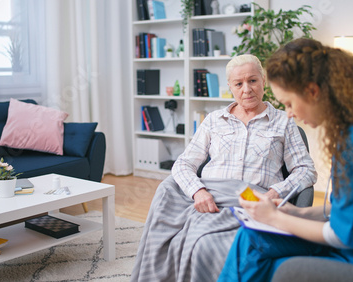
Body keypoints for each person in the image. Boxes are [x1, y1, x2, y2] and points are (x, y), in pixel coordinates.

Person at [218, 38, 353, 282]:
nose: (290, 114)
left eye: (289, 103)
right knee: (250, 239)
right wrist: (298, 213)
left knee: (257, 249)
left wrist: (276, 218)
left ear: (312, 92)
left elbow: (345, 235)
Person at [131, 54, 317, 282]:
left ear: (263, 80)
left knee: (201, 243)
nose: (246, 89)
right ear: (230, 87)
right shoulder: (213, 119)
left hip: (249, 197)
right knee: (166, 193)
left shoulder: (283, 121)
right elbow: (184, 163)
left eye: (253, 81)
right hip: (206, 194)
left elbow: (306, 169)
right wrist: (197, 191)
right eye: (238, 84)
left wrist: (275, 192)